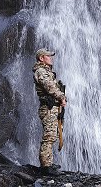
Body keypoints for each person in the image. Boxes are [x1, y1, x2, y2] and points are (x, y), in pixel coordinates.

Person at [33, 48, 67, 176]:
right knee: (49, 136)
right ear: (41, 58)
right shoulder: (41, 71)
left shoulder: (47, 71)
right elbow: (49, 86)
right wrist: (61, 97)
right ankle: (46, 167)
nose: (51, 58)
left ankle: (49, 163)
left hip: (52, 108)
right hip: (48, 108)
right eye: (48, 56)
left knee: (52, 135)